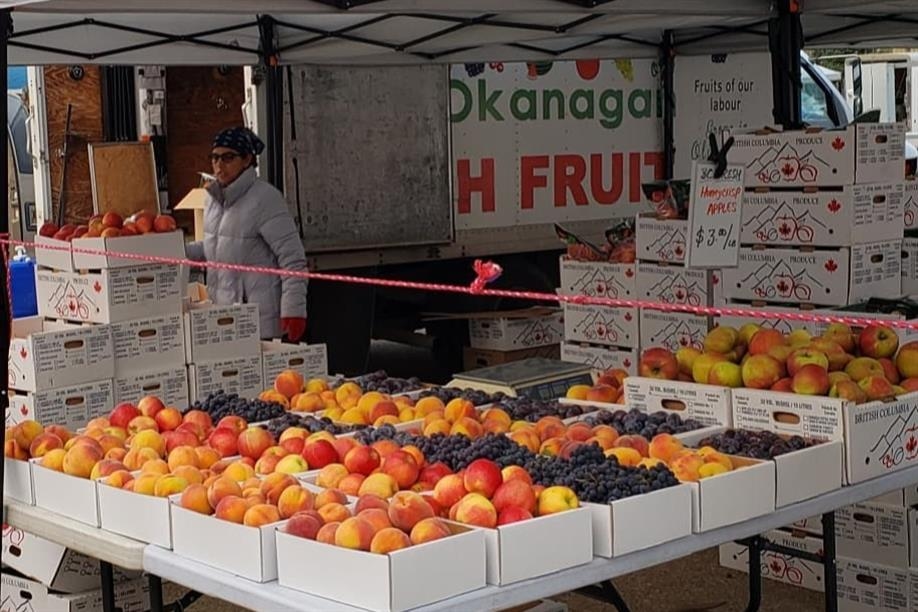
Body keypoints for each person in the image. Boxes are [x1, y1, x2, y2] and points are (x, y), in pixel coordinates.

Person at [186, 127, 308, 342]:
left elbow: (293, 260)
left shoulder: (265, 199)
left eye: (228, 157)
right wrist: (168, 249)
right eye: (214, 157)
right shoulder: (212, 200)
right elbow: (214, 248)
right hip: (223, 320)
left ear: (247, 160)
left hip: (260, 325)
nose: (218, 165)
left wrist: (293, 311)